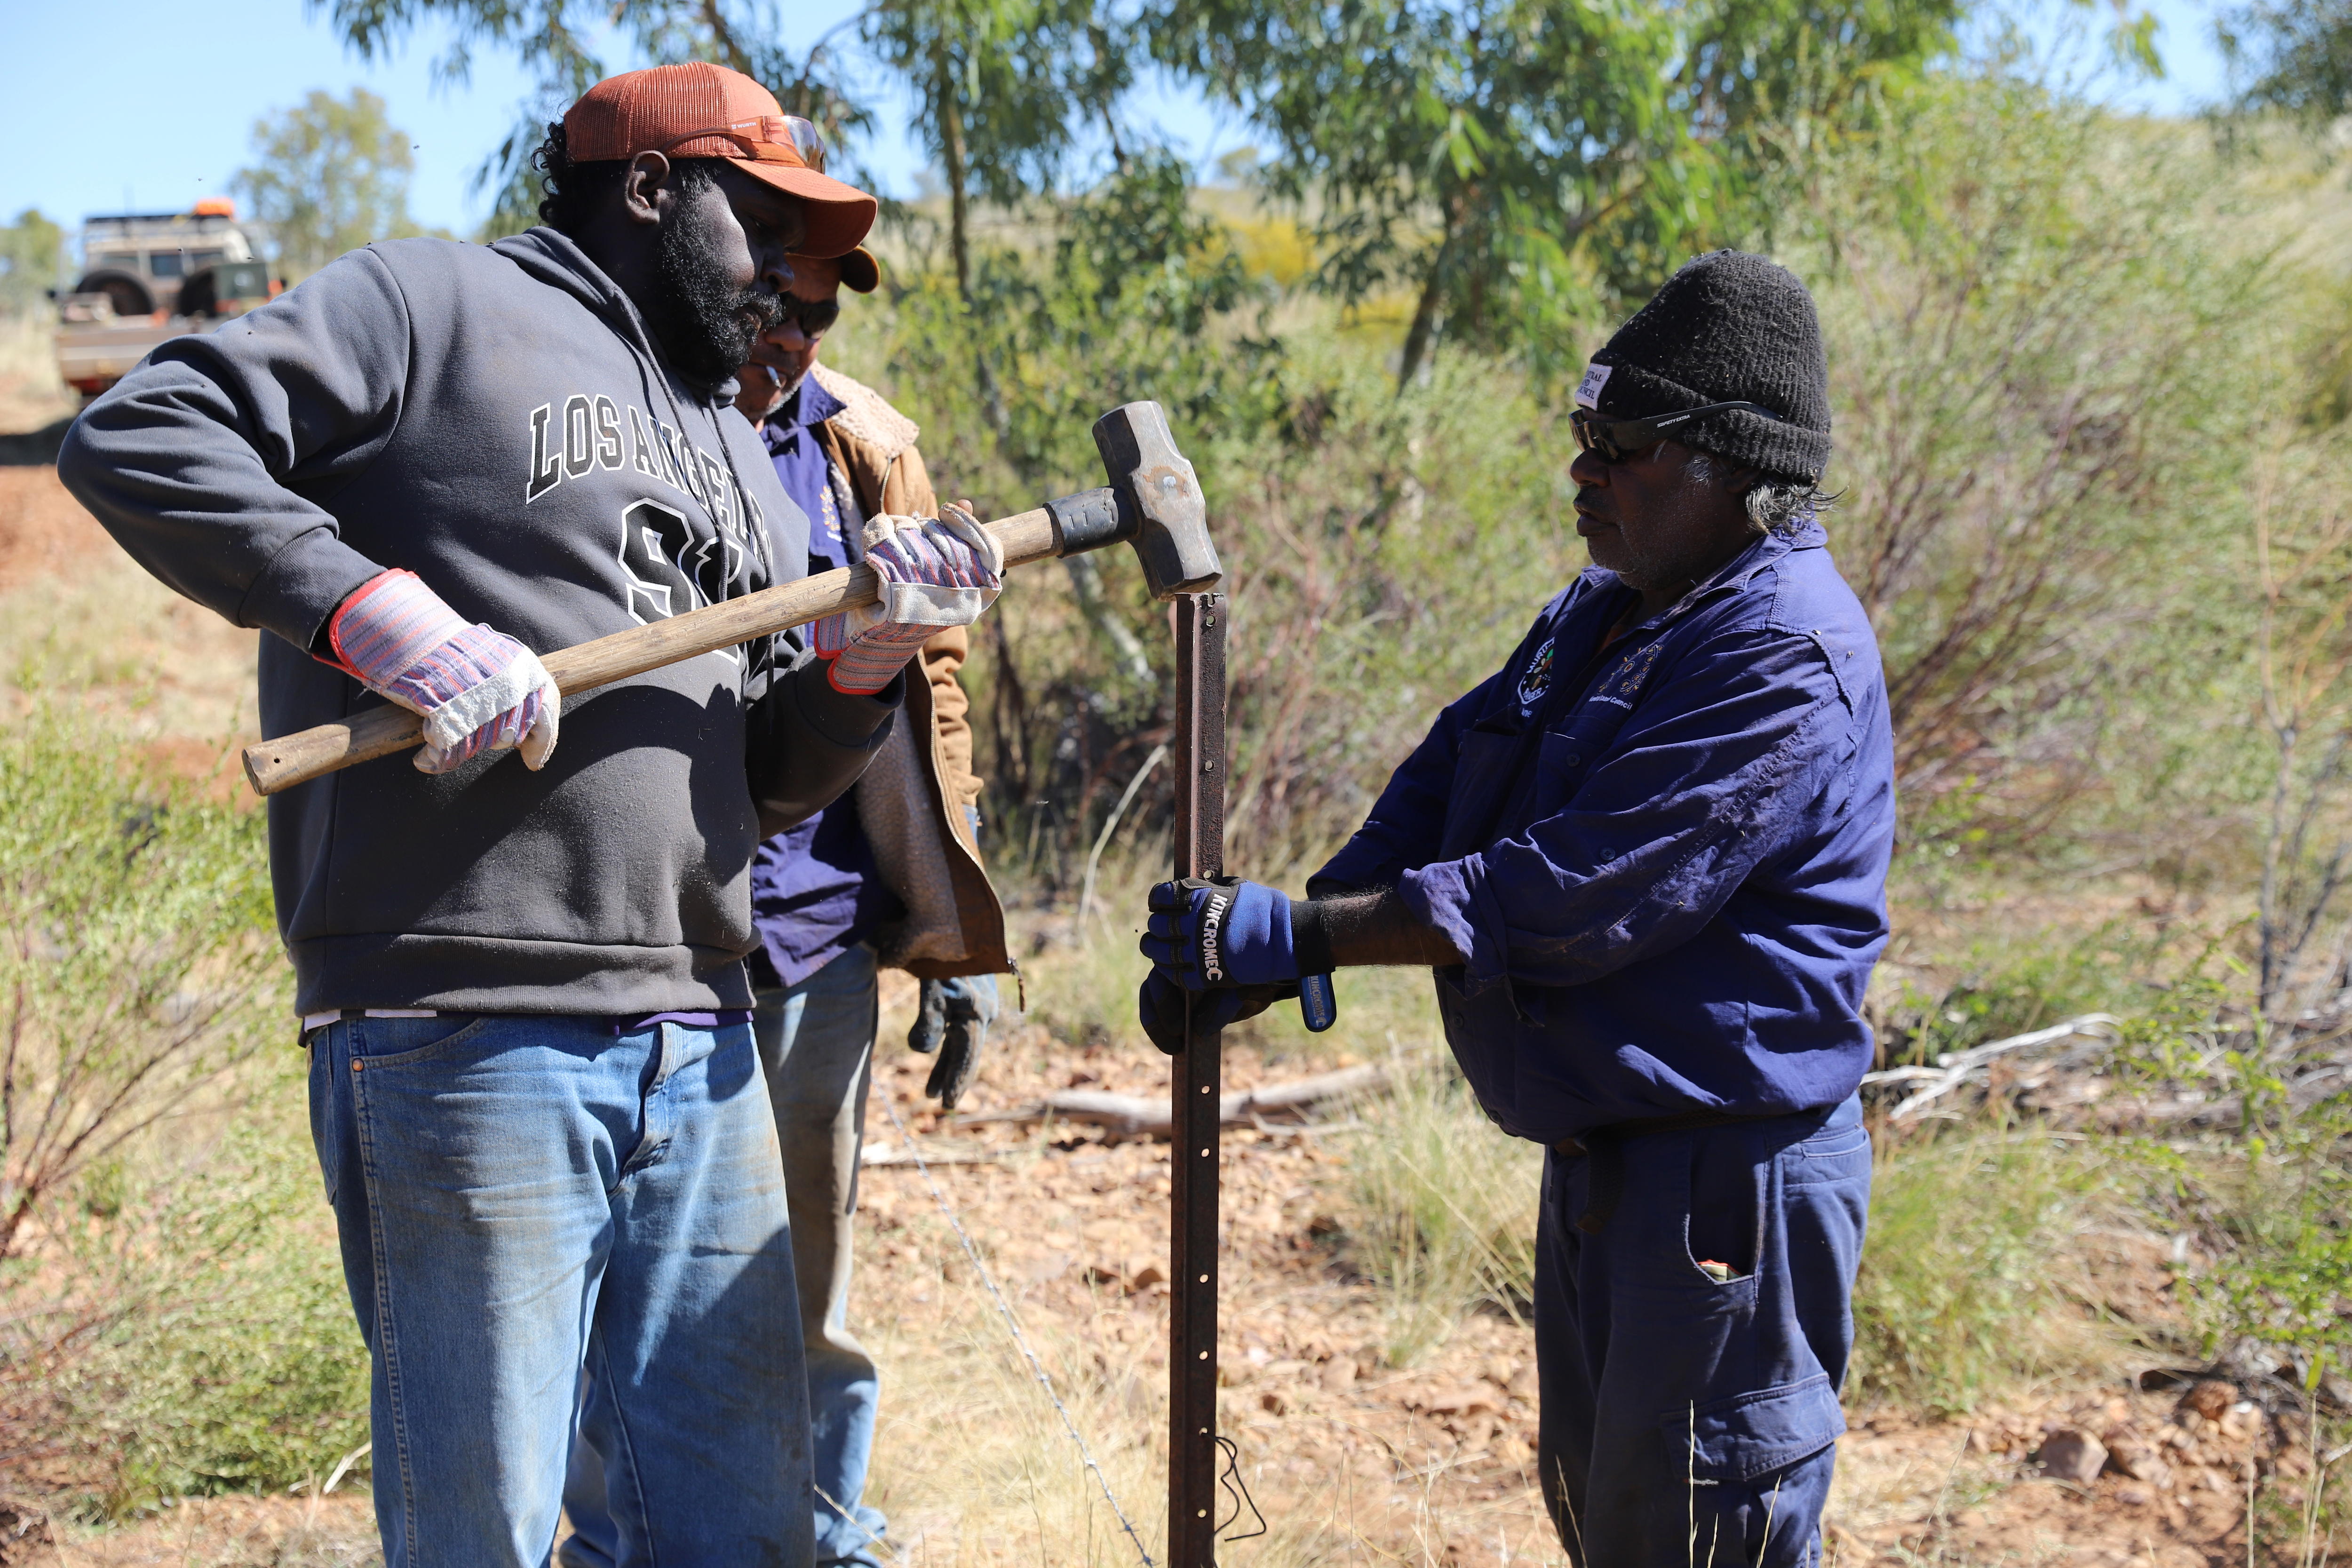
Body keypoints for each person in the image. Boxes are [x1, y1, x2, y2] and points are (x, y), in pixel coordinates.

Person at [58, 60, 1004, 1568]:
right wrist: (369, 615)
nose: (781, 273)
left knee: (734, 1530)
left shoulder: (733, 445)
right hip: (465, 1023)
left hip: (701, 1034)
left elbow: (767, 782)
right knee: (482, 1533)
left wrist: (862, 665)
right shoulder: (431, 306)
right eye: (758, 219)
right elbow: (142, 436)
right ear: (649, 190)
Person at [1136, 251, 1893, 1567]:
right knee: (1613, 1525)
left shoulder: (1783, 651)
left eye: (1624, 444)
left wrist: (1303, 940)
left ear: (1731, 467)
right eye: (1582, 435)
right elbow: (1455, 768)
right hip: (1612, 1170)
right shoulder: (1610, 609)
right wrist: (1278, 938)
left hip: (1725, 1194)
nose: (1584, 471)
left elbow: (1568, 894)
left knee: (1702, 1533)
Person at [564, 244, 1012, 1568]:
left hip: (812, 937)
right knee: (629, 1273)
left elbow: (934, 685)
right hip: (648, 938)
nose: (796, 340)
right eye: (769, 308)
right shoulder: (623, 424)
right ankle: (617, 1541)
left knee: (798, 1261)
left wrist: (954, 928)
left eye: (816, 315)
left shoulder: (863, 446)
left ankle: (825, 1528)